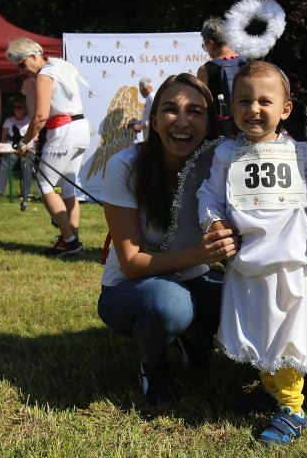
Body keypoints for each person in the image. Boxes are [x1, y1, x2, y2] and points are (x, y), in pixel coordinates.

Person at [197, 61, 307, 446]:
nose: (253, 109)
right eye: (244, 101)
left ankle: (292, 406)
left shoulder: (301, 154)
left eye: (264, 101)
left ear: (285, 109)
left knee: (285, 334)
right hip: (244, 263)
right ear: (232, 108)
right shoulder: (225, 154)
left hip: (287, 264)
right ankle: (271, 389)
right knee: (257, 329)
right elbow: (208, 195)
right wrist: (213, 223)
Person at [96, 73, 238, 406]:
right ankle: (154, 368)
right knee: (169, 304)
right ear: (155, 120)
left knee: (251, 295)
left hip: (195, 278)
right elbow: (131, 265)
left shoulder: (220, 166)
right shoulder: (124, 166)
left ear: (209, 123)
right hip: (129, 288)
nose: (182, 121)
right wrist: (202, 253)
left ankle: (191, 340)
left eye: (195, 111)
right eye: (171, 109)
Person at [6, 38, 90, 257]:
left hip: (64, 131)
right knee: (67, 188)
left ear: (34, 56)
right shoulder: (60, 66)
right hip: (80, 128)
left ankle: (69, 241)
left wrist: (24, 141)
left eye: (22, 64)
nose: (22, 70)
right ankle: (71, 239)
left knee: (44, 184)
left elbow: (41, 116)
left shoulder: (45, 74)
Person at [196, 16, 248, 136]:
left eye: (205, 46)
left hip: (222, 133)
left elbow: (202, 104)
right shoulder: (248, 62)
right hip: (249, 127)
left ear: (210, 43)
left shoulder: (206, 69)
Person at [0, 96, 34, 200]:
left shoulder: (30, 120)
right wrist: (2, 149)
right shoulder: (8, 120)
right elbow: (4, 135)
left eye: (19, 107)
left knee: (27, 169)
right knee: (4, 167)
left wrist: (35, 148)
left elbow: (35, 136)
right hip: (11, 147)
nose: (17, 109)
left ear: (25, 109)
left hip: (27, 147)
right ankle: (0, 192)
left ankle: (26, 194)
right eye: (15, 107)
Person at [126, 77, 155, 142]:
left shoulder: (152, 97)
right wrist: (132, 125)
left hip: (153, 140)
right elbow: (148, 119)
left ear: (141, 87)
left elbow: (157, 118)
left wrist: (141, 126)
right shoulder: (149, 98)